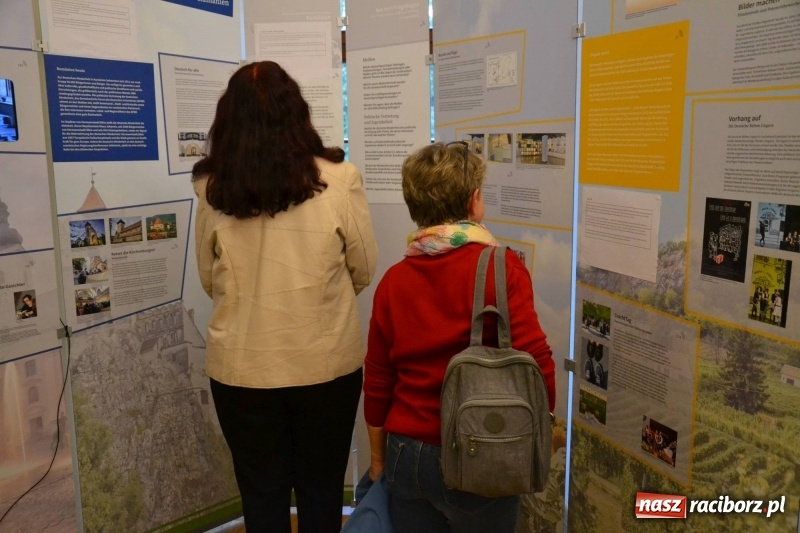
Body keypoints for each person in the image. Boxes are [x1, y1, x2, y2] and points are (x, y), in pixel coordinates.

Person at [192, 61, 378, 533]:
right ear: (297, 112)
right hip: (325, 362)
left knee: (261, 495)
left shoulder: (212, 188)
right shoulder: (340, 178)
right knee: (321, 491)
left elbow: (208, 280)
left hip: (242, 367)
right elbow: (363, 269)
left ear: (227, 119)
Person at [362, 142, 556, 533]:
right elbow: (538, 365)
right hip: (483, 446)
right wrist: (543, 430)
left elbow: (378, 380)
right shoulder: (503, 269)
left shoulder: (394, 281)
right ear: (474, 201)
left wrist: (379, 459)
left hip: (408, 454)